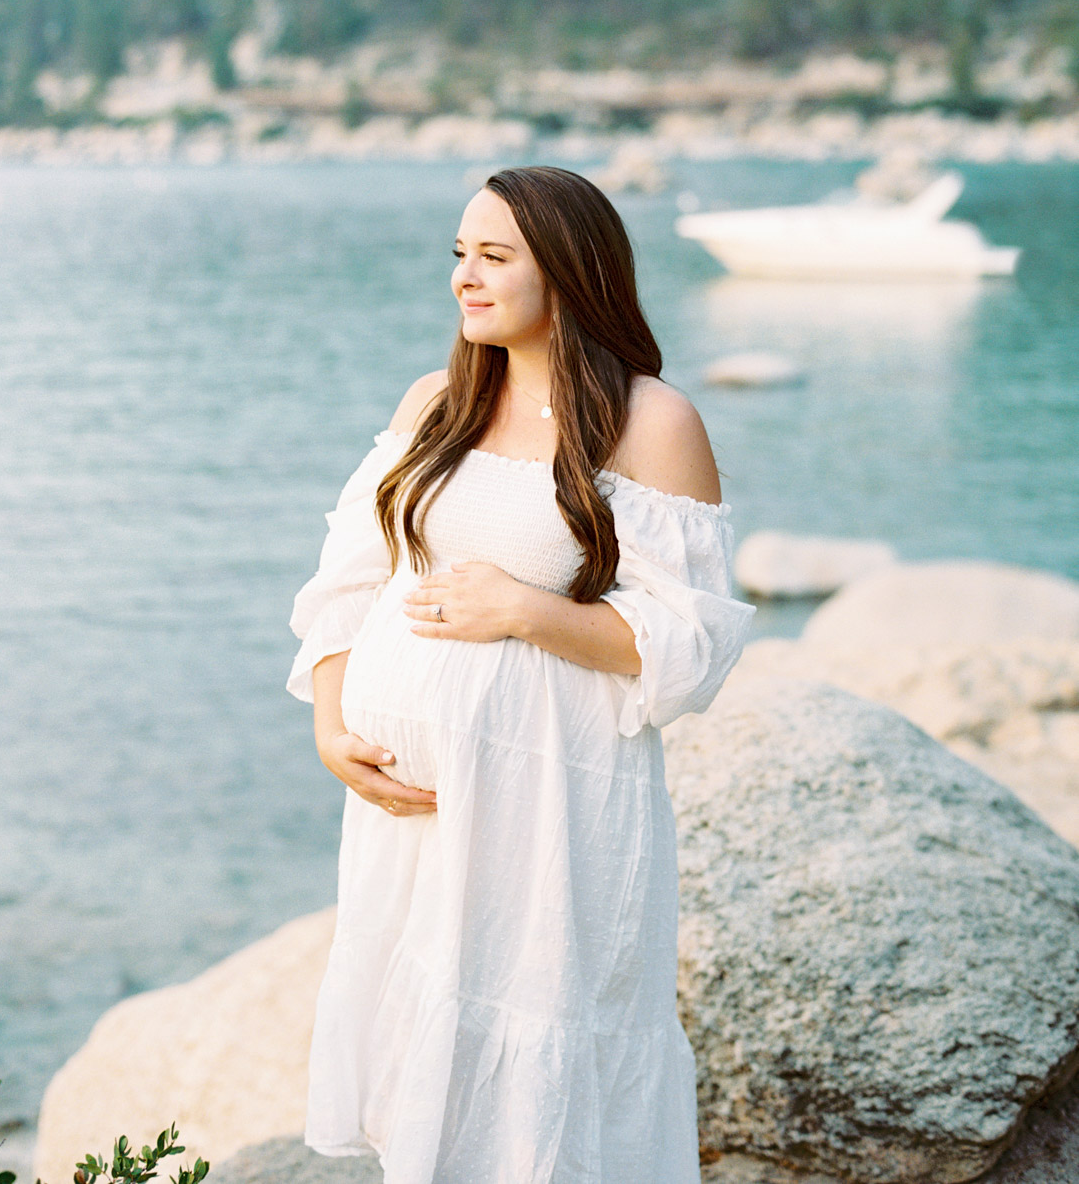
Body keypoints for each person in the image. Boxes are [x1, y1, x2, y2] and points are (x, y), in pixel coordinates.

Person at [285, 165, 756, 1184]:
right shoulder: (436, 401)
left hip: (550, 810)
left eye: (495, 256)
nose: (466, 277)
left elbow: (691, 648)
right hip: (413, 809)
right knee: (426, 1060)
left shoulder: (651, 422)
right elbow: (348, 579)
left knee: (544, 1051)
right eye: (459, 253)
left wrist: (529, 613)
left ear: (573, 273)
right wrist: (331, 728)